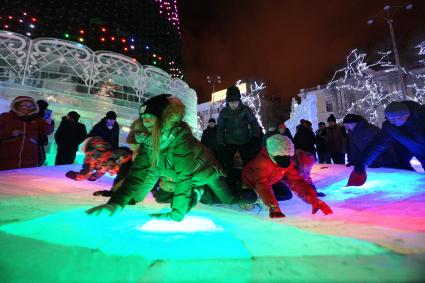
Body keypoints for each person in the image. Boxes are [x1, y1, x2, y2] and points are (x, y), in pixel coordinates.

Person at [86, 94, 238, 221]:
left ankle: (246, 192)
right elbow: (139, 174)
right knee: (162, 196)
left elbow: (184, 176)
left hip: (207, 172)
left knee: (227, 200)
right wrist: (118, 202)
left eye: (150, 117)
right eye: (143, 117)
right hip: (185, 178)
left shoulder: (181, 138)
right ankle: (198, 191)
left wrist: (176, 215)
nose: (145, 121)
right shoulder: (149, 142)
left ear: (163, 118)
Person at [242, 134, 333, 218]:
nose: (286, 160)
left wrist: (313, 199)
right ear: (273, 154)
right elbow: (262, 184)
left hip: (269, 181)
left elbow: (296, 180)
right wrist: (273, 206)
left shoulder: (287, 162)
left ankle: (262, 197)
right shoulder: (262, 162)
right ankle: (244, 197)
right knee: (250, 197)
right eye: (281, 156)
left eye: (288, 156)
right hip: (251, 182)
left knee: (286, 194)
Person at [355, 101, 425, 173]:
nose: (391, 122)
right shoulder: (390, 127)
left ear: (405, 115)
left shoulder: (422, 117)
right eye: (388, 119)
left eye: (394, 119)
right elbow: (377, 145)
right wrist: (362, 162)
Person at [65, 137, 133, 196]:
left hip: (123, 161)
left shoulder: (90, 155)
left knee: (122, 183)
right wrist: (93, 176)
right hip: (126, 159)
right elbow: (100, 169)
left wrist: (79, 176)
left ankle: (121, 195)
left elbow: (87, 170)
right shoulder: (101, 151)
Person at [0, 96, 54, 170]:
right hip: (6, 159)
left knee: (25, 179)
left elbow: (47, 131)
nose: (27, 108)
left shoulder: (37, 119)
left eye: (30, 106)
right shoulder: (6, 117)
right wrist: (10, 133)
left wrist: (49, 124)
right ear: (17, 105)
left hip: (29, 159)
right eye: (24, 105)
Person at [217, 85, 262, 173]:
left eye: (236, 101)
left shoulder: (245, 110)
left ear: (239, 100)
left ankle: (247, 181)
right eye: (231, 102)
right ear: (227, 102)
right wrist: (220, 143)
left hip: (245, 140)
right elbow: (220, 128)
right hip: (230, 140)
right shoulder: (224, 112)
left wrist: (255, 136)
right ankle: (230, 180)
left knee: (248, 162)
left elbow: (253, 122)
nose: (234, 104)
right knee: (227, 162)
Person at [36, 99, 55, 166]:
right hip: (37, 141)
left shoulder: (40, 117)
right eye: (45, 108)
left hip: (38, 140)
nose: (46, 110)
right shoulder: (38, 118)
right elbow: (46, 131)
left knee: (41, 158)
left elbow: (47, 131)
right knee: (41, 158)